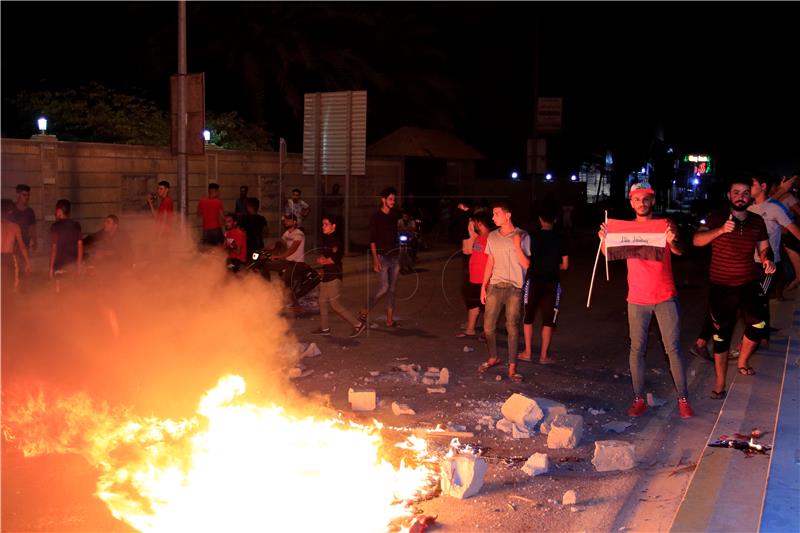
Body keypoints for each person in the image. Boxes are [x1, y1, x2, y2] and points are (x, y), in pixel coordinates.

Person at [599, 182, 693, 418]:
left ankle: (683, 399)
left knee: (673, 349)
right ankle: (639, 398)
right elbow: (608, 254)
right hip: (637, 299)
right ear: (631, 202)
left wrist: (672, 240)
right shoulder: (625, 229)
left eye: (646, 199)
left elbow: (680, 251)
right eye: (637, 199)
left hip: (665, 296)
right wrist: (604, 239)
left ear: (653, 200)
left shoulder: (665, 225)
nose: (642, 203)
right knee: (636, 349)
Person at [693, 178, 775, 399]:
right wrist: (720, 230)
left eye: (746, 193)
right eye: (736, 192)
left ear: (750, 196)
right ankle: (720, 382)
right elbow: (697, 240)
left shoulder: (757, 221)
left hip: (748, 282)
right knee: (721, 336)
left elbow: (764, 248)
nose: (741, 197)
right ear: (729, 195)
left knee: (758, 326)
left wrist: (768, 260)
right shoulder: (715, 217)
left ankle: (742, 360)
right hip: (721, 286)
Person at [478, 201, 530, 383]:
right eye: (493, 214)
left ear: (508, 215)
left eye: (496, 214)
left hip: (515, 288)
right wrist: (483, 286)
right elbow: (490, 262)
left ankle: (512, 367)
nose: (493, 217)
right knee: (488, 327)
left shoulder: (522, 235)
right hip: (495, 286)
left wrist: (517, 246)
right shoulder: (492, 236)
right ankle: (493, 356)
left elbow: (526, 265)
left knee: (512, 328)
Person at [518, 205, 568, 365]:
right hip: (552, 283)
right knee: (548, 321)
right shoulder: (561, 238)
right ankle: (543, 356)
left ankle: (527, 351)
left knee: (528, 317)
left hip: (533, 282)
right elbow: (565, 265)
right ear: (555, 220)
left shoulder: (531, 237)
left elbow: (525, 259)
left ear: (540, 219)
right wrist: (552, 265)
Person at [748, 174, 800, 307]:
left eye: (752, 184)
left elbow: (794, 230)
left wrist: (782, 190)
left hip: (767, 264)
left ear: (763, 186)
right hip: (748, 263)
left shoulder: (776, 207)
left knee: (758, 301)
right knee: (754, 302)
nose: (749, 187)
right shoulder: (748, 208)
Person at [312, 215, 367, 338]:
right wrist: (322, 265)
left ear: (333, 226)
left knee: (335, 304)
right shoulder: (327, 239)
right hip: (326, 275)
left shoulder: (336, 240)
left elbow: (333, 259)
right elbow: (327, 258)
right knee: (322, 302)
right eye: (323, 224)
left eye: (326, 224)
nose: (323, 226)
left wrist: (322, 261)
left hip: (334, 275)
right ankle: (325, 328)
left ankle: (358, 324)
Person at [359, 187, 402, 328]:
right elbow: (372, 240)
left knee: (392, 289)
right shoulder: (376, 217)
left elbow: (400, 225)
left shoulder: (395, 214)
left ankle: (389, 319)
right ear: (383, 199)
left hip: (395, 256)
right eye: (390, 199)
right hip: (382, 257)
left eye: (394, 199)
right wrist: (375, 260)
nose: (393, 202)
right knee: (384, 287)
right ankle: (365, 310)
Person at [457, 211, 491, 340]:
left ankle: (487, 333)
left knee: (487, 308)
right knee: (472, 304)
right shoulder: (478, 237)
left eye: (475, 223)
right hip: (474, 279)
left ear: (480, 223)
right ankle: (470, 329)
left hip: (484, 280)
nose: (474, 225)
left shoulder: (491, 239)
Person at [2, 199, 32, 297]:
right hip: (8, 258)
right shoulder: (15, 227)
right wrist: (28, 263)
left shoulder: (15, 226)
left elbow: (22, 247)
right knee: (9, 290)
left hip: (8, 259)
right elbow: (22, 246)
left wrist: (27, 263)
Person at [49, 199, 83, 282]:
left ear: (60, 211)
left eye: (56, 211)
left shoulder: (55, 227)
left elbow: (54, 248)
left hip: (59, 267)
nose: (55, 213)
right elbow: (80, 247)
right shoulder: (76, 225)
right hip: (73, 267)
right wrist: (79, 266)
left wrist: (51, 268)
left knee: (59, 292)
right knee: (72, 292)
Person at [11, 184, 37, 256]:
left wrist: (35, 241)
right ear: (18, 195)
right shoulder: (11, 209)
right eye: (24, 195)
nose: (27, 197)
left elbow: (32, 228)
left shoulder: (30, 211)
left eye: (28, 195)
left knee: (25, 265)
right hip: (12, 245)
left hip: (25, 244)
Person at [197, 183, 225, 248]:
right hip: (216, 229)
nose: (218, 193)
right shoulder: (218, 202)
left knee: (207, 250)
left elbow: (199, 214)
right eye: (218, 191)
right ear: (215, 191)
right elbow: (222, 217)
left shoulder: (202, 201)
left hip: (206, 230)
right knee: (218, 249)